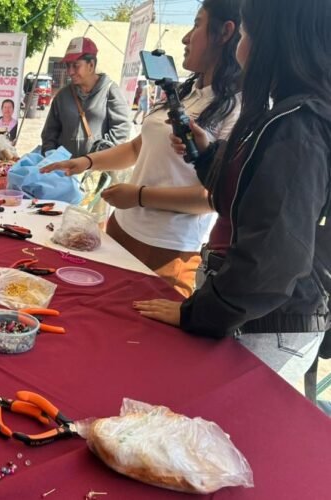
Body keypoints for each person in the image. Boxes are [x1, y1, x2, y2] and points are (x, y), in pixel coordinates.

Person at [134, 0, 331, 385]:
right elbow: (250, 196)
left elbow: (274, 257)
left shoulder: (299, 128)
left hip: (264, 324)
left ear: (273, 42)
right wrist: (209, 156)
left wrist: (199, 313)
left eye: (245, 34)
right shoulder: (287, 116)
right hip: (248, 310)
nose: (239, 47)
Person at [43, 0, 243, 297]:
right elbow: (139, 147)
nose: (185, 38)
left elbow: (212, 197)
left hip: (168, 251)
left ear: (225, 32)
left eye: (197, 24)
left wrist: (138, 196)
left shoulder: (238, 108)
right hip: (121, 229)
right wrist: (86, 162)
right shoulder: (184, 93)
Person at [40, 37, 132, 157]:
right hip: (65, 167)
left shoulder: (110, 91)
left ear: (91, 65)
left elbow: (121, 128)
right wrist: (50, 155)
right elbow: (49, 133)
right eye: (68, 66)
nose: (70, 72)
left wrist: (100, 156)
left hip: (96, 166)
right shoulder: (62, 96)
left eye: (75, 66)